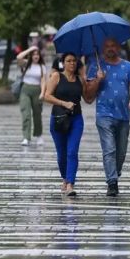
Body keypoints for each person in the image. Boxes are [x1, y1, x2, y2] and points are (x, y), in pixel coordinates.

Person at [85, 38, 130, 197]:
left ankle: (114, 174)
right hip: (104, 115)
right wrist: (98, 79)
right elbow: (88, 96)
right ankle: (112, 183)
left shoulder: (128, 66)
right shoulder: (96, 66)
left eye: (113, 46)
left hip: (123, 115)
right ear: (103, 49)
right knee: (109, 149)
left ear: (118, 47)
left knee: (121, 152)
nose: (110, 49)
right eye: (107, 46)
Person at [43, 53, 91, 197]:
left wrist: (97, 81)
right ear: (63, 63)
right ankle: (65, 178)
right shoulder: (57, 76)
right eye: (68, 61)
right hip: (59, 119)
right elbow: (47, 95)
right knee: (61, 153)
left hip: (76, 119)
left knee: (72, 151)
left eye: (74, 61)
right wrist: (63, 103)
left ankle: (70, 183)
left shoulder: (80, 80)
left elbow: (88, 99)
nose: (72, 63)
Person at [16, 46, 47, 146]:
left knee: (37, 114)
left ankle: (39, 135)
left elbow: (43, 81)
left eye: (37, 54)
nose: (36, 56)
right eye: (34, 55)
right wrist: (30, 49)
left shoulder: (42, 67)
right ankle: (26, 137)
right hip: (25, 90)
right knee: (26, 114)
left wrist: (42, 93)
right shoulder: (25, 64)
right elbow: (18, 57)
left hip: (37, 90)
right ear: (31, 56)